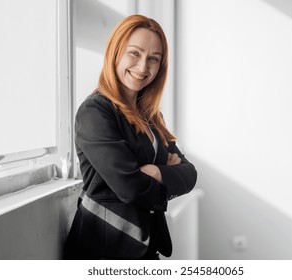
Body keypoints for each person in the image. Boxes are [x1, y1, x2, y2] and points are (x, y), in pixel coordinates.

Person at [64, 14, 197, 260]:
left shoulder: (152, 117)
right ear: (116, 52)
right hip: (106, 250)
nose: (143, 67)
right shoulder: (95, 111)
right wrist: (163, 173)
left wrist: (155, 172)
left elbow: (190, 174)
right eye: (134, 53)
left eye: (153, 59)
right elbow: (130, 187)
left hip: (146, 248)